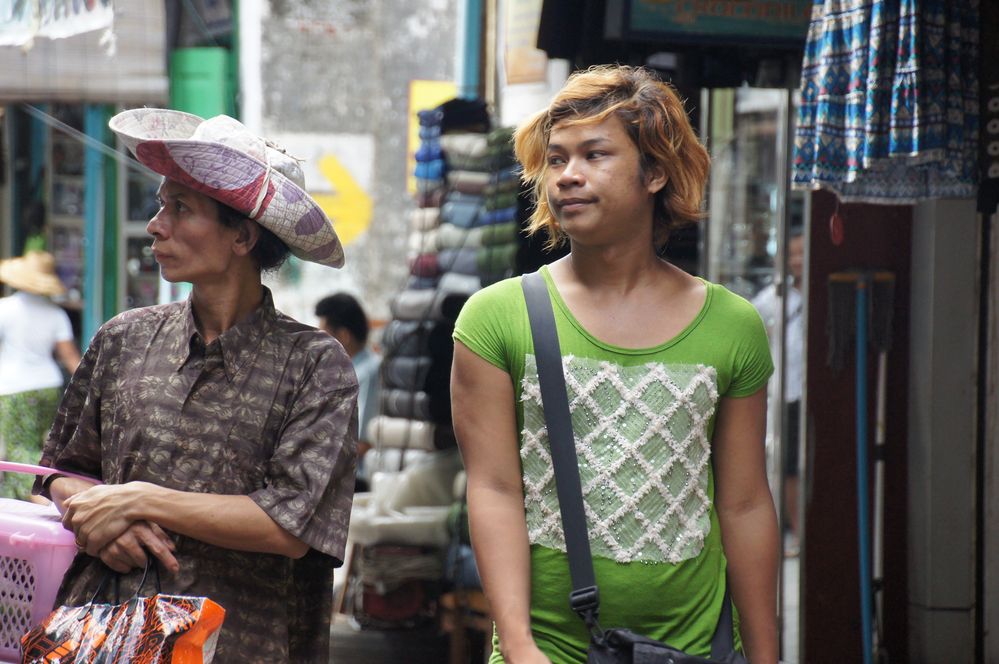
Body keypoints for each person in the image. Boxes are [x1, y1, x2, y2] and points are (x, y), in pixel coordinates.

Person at [451, 65, 779, 664]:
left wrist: (765, 655)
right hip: (547, 648)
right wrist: (520, 645)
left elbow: (745, 502)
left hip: (694, 646)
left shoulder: (733, 326)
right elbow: (494, 489)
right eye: (555, 159)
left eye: (594, 154)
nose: (567, 177)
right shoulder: (495, 319)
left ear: (654, 172)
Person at [34, 108, 358, 662]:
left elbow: (289, 523)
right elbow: (60, 472)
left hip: (242, 642)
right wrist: (104, 521)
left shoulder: (314, 365)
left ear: (242, 237)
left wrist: (138, 500)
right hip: (103, 633)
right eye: (162, 204)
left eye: (180, 208)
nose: (157, 224)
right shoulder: (123, 340)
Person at [0, 250, 81, 501]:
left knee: (16, 449)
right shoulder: (56, 314)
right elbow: (70, 358)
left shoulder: (6, 308)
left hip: (13, 388)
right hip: (48, 386)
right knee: (39, 447)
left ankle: (43, 499)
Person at [752, 229, 805, 556]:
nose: (798, 259)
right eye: (793, 254)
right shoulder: (775, 296)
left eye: (803, 252)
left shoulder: (816, 290)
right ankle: (798, 531)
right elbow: (752, 326)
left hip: (806, 388)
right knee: (787, 466)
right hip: (784, 390)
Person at [316, 292, 381, 489]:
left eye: (323, 336)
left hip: (358, 481)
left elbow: (364, 441)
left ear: (343, 336)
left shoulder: (369, 371)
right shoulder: (342, 373)